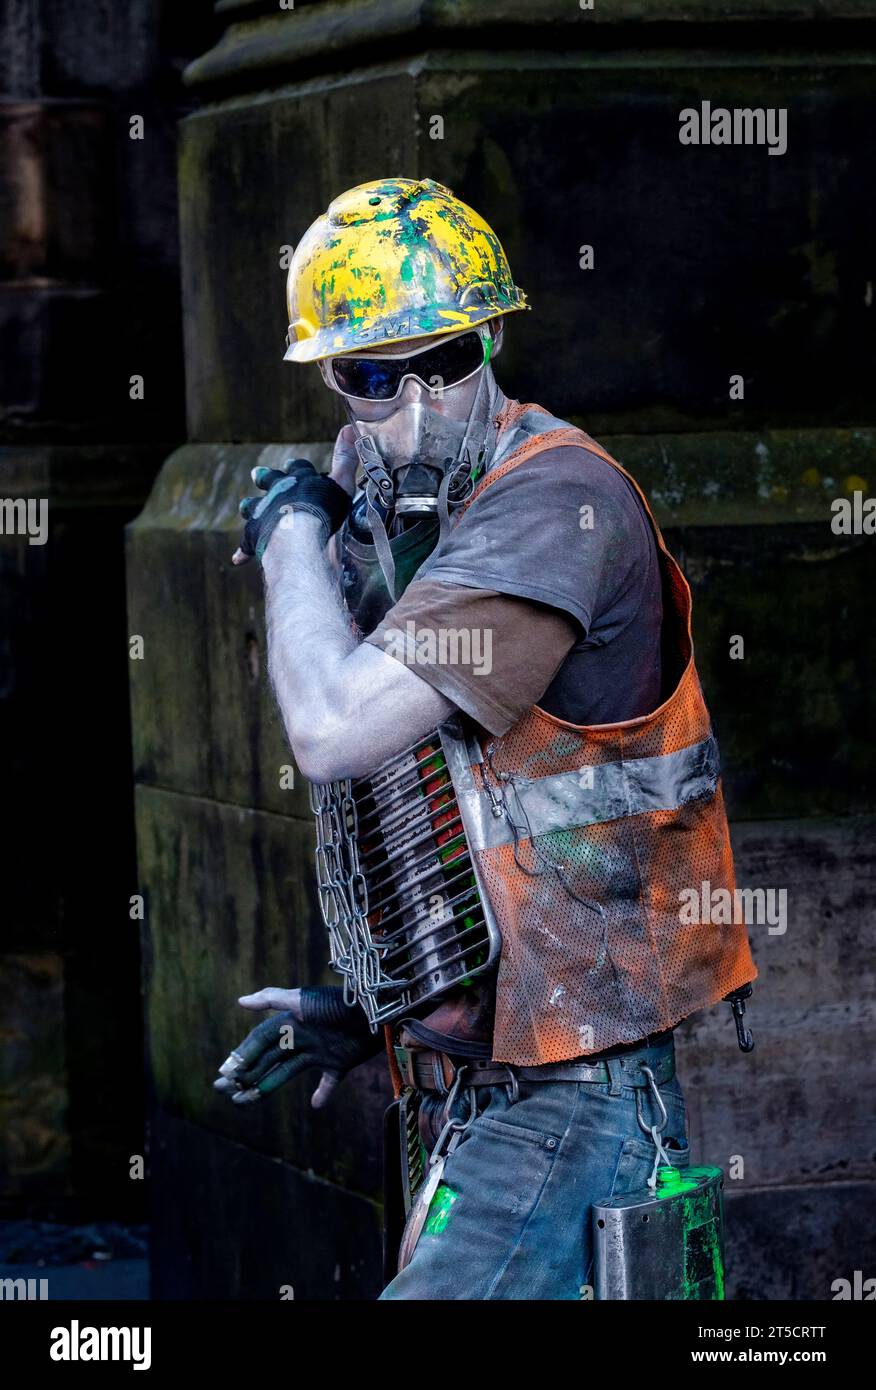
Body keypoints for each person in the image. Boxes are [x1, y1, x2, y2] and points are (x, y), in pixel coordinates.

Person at [214, 176, 756, 1300]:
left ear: (493, 340)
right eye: (371, 380)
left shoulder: (556, 505)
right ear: (332, 381)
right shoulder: (412, 523)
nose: (411, 415)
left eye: (444, 365)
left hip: (572, 1097)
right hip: (474, 1090)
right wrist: (374, 1011)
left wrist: (288, 529)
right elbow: (480, 810)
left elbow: (332, 727)